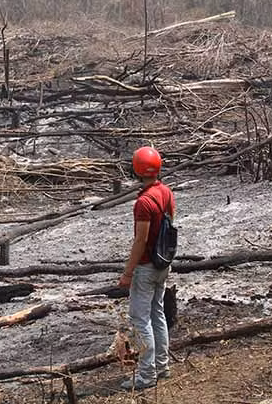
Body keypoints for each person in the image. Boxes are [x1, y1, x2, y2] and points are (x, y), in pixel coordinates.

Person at [118, 145, 175, 390]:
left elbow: (140, 240)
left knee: (140, 320)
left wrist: (128, 273)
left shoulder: (143, 202)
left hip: (146, 267)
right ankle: (162, 367)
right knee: (157, 313)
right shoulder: (166, 192)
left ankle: (145, 375)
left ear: (137, 170)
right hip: (163, 263)